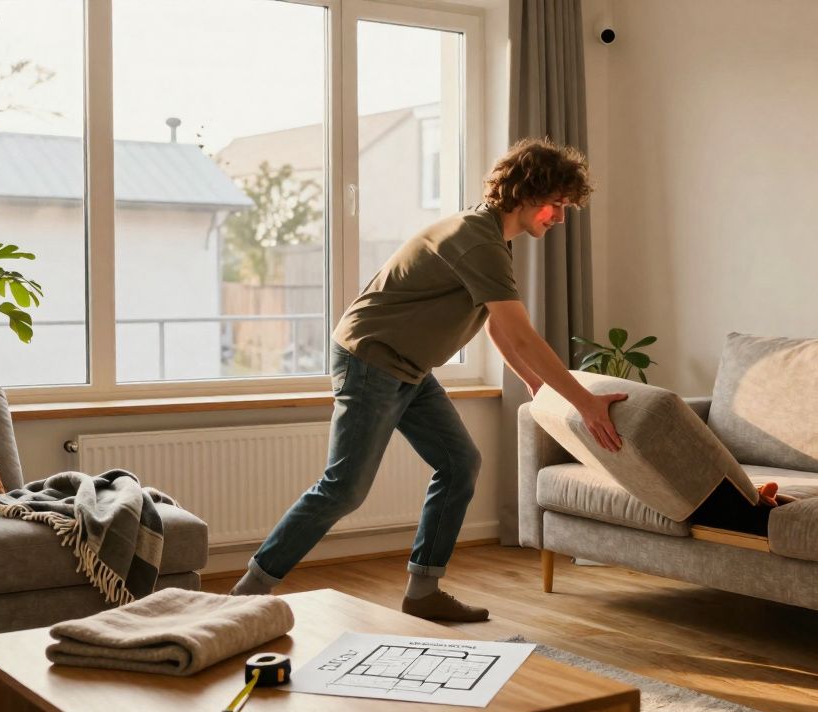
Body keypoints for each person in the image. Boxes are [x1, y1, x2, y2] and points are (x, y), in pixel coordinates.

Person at [230, 138, 628, 621]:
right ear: (526, 193)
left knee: (461, 463)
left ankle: (422, 592)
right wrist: (585, 402)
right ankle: (248, 593)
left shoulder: (490, 236)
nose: (559, 218)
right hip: (371, 358)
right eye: (556, 205)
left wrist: (531, 380)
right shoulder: (477, 239)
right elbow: (522, 333)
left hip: (409, 367)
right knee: (344, 488)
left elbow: (498, 324)